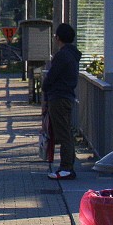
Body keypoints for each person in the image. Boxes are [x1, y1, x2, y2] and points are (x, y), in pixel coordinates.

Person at [42, 22, 82, 180]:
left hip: (58, 98)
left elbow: (51, 77)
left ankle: (66, 168)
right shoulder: (72, 55)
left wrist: (45, 86)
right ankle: (67, 165)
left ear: (58, 38)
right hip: (66, 96)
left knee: (63, 133)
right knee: (66, 132)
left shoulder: (62, 56)